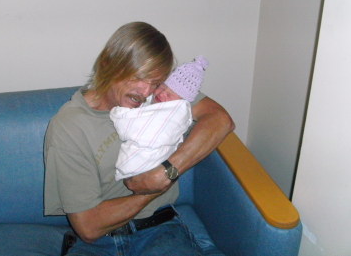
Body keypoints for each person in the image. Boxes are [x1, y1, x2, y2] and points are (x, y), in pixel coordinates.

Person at [44, 22, 234, 256]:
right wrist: (150, 190)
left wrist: (167, 171)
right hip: (97, 243)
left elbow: (220, 120)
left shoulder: (163, 95)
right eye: (138, 77)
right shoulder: (69, 126)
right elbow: (89, 227)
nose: (145, 92)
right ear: (108, 64)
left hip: (160, 229)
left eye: (155, 82)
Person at [111, 56, 209, 181]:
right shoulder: (150, 97)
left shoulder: (175, 114)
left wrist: (118, 113)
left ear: (181, 102)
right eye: (162, 87)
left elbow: (130, 128)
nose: (162, 94)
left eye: (170, 94)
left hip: (144, 166)